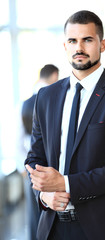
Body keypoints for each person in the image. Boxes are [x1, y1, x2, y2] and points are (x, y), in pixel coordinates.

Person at [25, 10, 105, 240]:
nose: (79, 47)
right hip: (51, 228)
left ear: (103, 44)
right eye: (73, 40)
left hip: (100, 230)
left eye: (87, 40)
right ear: (65, 46)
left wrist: (65, 183)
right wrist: (44, 196)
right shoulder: (46, 97)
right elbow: (34, 160)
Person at [17, 64, 59, 240]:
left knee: (35, 214)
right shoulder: (56, 100)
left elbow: (17, 139)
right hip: (53, 165)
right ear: (54, 76)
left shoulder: (24, 103)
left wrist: (23, 167)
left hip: (31, 165)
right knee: (56, 212)